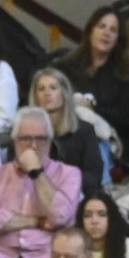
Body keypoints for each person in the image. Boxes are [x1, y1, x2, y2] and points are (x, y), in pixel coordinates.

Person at [0, 106, 83, 258]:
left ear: (50, 141)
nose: (33, 145)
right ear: (15, 141)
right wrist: (36, 221)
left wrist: (37, 172)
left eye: (41, 139)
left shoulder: (69, 174)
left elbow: (60, 217)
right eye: (26, 139)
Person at [57, 5, 129, 157]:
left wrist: (93, 108)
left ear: (117, 40)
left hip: (110, 141)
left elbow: (124, 119)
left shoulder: (125, 75)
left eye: (113, 30)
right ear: (90, 32)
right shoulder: (66, 67)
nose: (106, 33)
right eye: (101, 27)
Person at [32, 68, 104, 196]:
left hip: (76, 195)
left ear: (64, 93)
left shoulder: (84, 130)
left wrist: (63, 180)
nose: (47, 93)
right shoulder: (27, 132)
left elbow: (93, 176)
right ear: (35, 97)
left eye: (53, 88)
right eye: (41, 89)